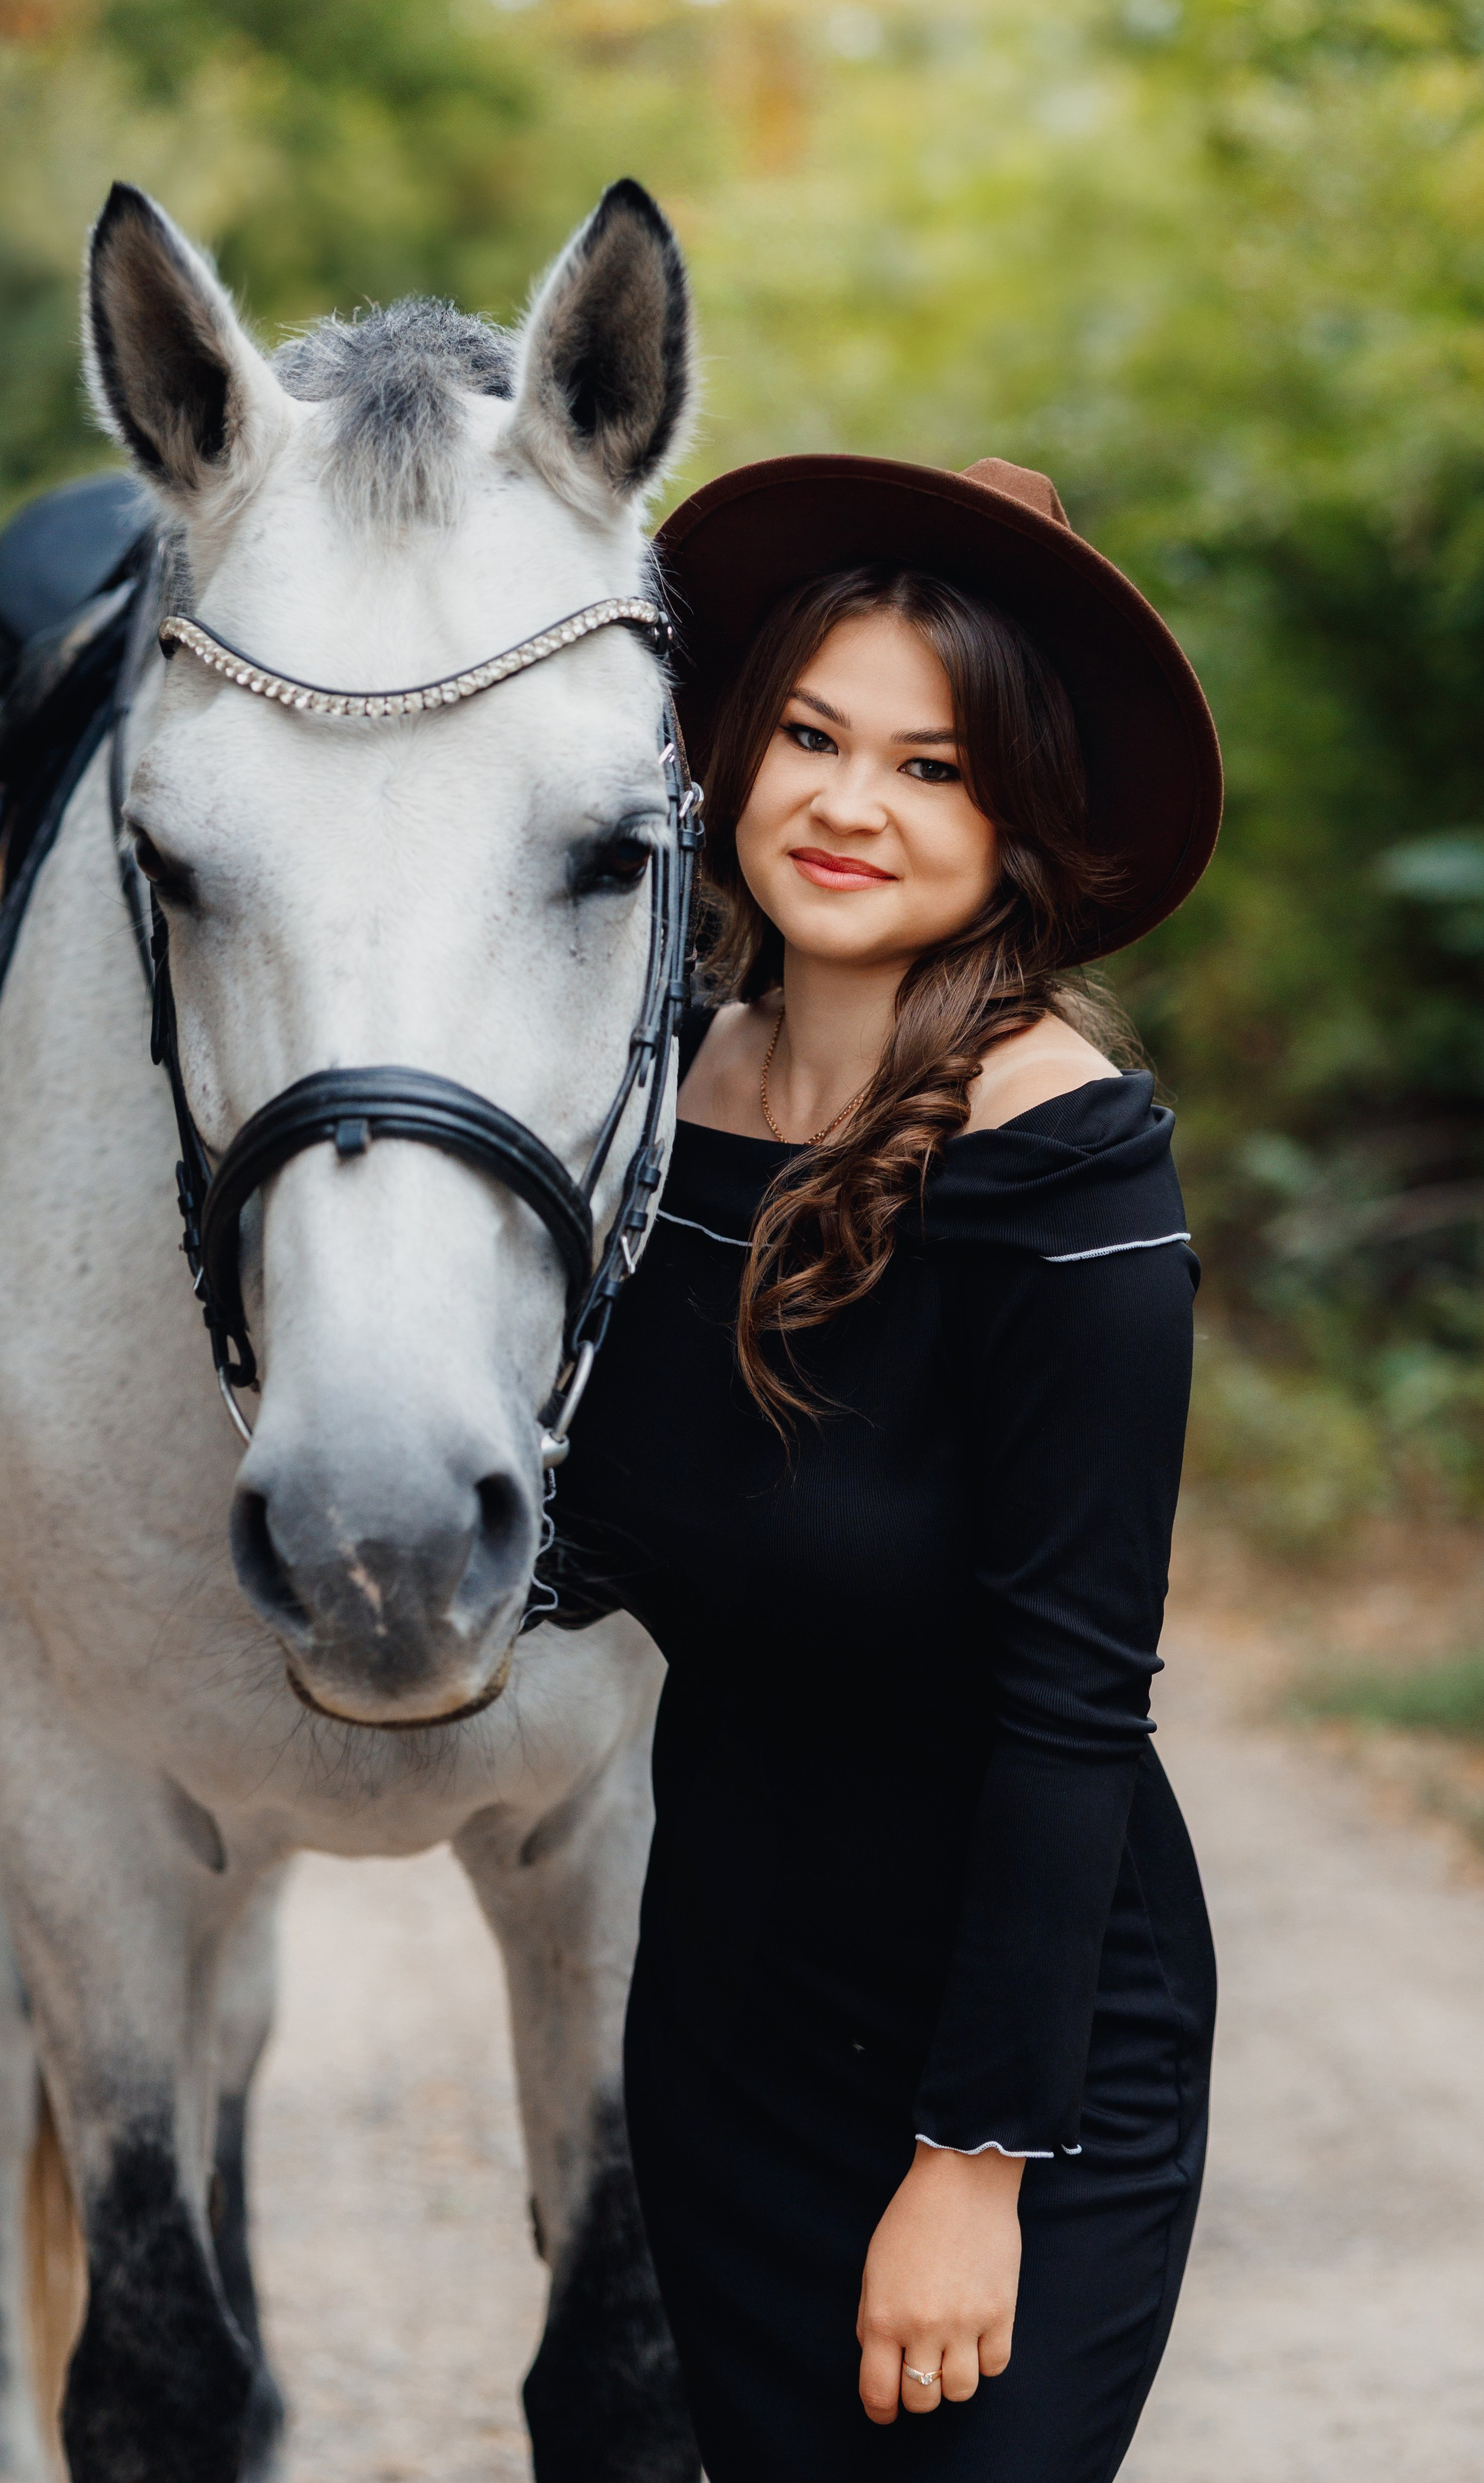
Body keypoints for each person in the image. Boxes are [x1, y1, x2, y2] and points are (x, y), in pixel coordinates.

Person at [544, 454, 1223, 2481]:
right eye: (816, 737)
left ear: (1017, 823)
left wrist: (975, 2164)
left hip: (1020, 2060)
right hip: (730, 2025)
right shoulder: (650, 1107)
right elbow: (563, 1540)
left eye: (931, 767)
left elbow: (1076, 1701)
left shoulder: (1070, 1162)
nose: (850, 803)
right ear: (736, 752)